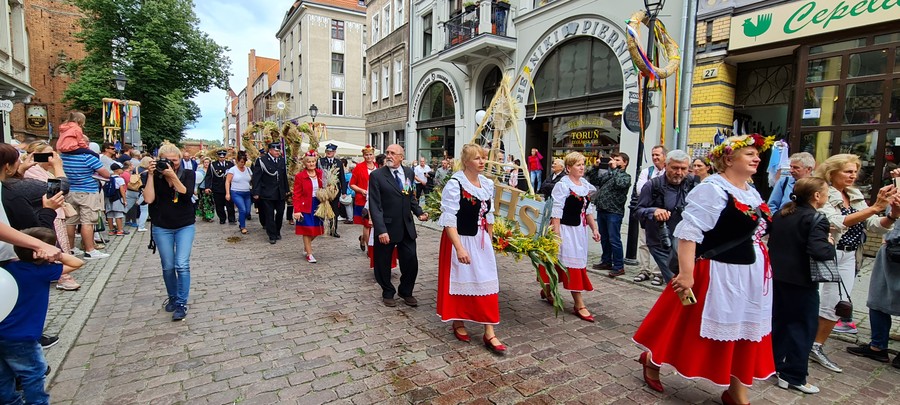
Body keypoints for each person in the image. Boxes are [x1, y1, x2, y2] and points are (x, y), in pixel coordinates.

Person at [633, 134, 776, 405]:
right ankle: (652, 359)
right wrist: (686, 274)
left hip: (750, 275)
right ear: (729, 159)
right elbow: (689, 232)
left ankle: (737, 390)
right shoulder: (712, 188)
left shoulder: (750, 191)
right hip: (720, 272)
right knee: (687, 327)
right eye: (749, 153)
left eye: (757, 154)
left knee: (745, 331)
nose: (757, 158)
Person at [809, 153, 896, 372]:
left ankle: (816, 346)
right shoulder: (821, 191)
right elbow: (835, 222)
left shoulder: (854, 193)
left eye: (855, 171)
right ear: (832, 172)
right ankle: (800, 342)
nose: (853, 175)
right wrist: (875, 207)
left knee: (837, 303)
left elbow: (873, 225)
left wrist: (892, 214)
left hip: (849, 255)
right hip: (826, 252)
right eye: (848, 171)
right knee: (813, 299)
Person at [0, 227, 82, 405]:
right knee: (33, 373)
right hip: (23, 336)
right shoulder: (41, 272)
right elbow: (77, 262)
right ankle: (37, 402)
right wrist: (54, 254)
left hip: (2, 332)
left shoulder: (7, 269)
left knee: (3, 376)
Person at [437, 144, 506, 353]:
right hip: (460, 238)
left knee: (486, 281)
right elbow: (449, 220)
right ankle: (458, 321)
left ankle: (489, 332)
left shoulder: (487, 184)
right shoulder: (455, 184)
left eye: (483, 157)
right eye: (477, 158)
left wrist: (490, 240)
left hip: (480, 240)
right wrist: (459, 248)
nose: (482, 161)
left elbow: (489, 215)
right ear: (466, 162)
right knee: (461, 280)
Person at [768, 177, 834, 394]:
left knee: (780, 322)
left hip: (778, 277)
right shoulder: (816, 218)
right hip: (802, 281)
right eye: (826, 192)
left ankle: (774, 364)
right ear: (817, 195)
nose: (827, 196)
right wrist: (830, 245)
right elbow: (819, 251)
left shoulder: (782, 214)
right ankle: (794, 375)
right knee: (803, 327)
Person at [539, 152, 601, 322]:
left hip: (579, 231)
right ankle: (579, 304)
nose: (582, 167)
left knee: (571, 263)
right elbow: (556, 211)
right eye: (578, 165)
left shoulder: (585, 186)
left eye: (583, 164)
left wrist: (594, 229)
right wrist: (556, 234)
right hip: (565, 230)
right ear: (568, 168)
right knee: (565, 263)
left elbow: (587, 210)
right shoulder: (563, 186)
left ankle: (546, 290)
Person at [847, 170, 900, 368]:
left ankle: (878, 346)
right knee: (877, 298)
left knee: (878, 297)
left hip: (893, 248)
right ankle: (877, 346)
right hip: (891, 252)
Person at [368, 144, 429, 307]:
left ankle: (406, 291)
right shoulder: (377, 175)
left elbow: (409, 196)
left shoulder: (408, 172)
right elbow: (375, 205)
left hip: (406, 226)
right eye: (387, 152)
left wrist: (419, 212)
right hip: (386, 227)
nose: (389, 155)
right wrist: (381, 230)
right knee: (383, 263)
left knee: (411, 261)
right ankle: (387, 292)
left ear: (401, 157)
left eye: (393, 153)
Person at [143, 143, 197, 321]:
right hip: (162, 226)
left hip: (184, 225)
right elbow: (149, 199)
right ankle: (173, 297)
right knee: (168, 266)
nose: (171, 163)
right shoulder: (153, 175)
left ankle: (181, 303)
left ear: (180, 159)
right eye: (166, 160)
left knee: (182, 264)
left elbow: (185, 193)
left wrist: (172, 175)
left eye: (174, 160)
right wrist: (151, 175)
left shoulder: (188, 174)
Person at [23, 142, 80, 290]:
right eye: (48, 154)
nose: (53, 157)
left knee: (60, 242)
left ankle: (58, 273)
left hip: (54, 212)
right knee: (54, 244)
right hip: (47, 212)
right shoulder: (32, 171)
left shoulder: (44, 171)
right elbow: (56, 190)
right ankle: (61, 275)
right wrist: (58, 167)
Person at [635, 150, 695, 285]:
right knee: (676, 282)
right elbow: (638, 211)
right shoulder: (652, 185)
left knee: (688, 282)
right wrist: (653, 211)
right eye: (675, 168)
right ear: (666, 166)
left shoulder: (691, 183)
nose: (679, 172)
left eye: (683, 169)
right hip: (661, 242)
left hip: (685, 240)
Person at [60, 135, 111, 260]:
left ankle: (70, 248)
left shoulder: (63, 157)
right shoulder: (87, 157)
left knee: (70, 221)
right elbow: (106, 174)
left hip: (70, 191)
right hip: (88, 191)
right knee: (87, 222)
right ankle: (90, 250)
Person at [586, 152, 631, 277]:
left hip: (614, 211)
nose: (614, 161)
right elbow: (595, 180)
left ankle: (619, 266)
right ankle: (606, 261)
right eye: (613, 159)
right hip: (602, 209)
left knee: (614, 239)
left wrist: (616, 169)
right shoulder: (609, 174)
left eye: (617, 160)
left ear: (625, 163)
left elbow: (620, 184)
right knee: (605, 238)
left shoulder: (626, 176)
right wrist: (595, 168)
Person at [634, 145, 667, 279]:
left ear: (665, 156)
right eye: (653, 155)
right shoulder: (647, 171)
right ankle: (644, 270)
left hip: (663, 212)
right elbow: (640, 190)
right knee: (644, 242)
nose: (654, 157)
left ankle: (658, 272)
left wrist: (651, 187)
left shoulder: (668, 172)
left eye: (657, 155)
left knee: (661, 242)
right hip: (646, 211)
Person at [251, 142, 289, 244]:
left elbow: (283, 176)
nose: (278, 152)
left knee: (280, 212)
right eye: (276, 151)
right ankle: (272, 235)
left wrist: (286, 189)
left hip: (279, 192)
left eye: (278, 150)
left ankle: (277, 230)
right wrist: (256, 192)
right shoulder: (262, 161)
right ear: (270, 150)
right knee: (269, 214)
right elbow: (256, 177)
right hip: (267, 192)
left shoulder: (281, 160)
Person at [293, 151, 325, 263]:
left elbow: (326, 187)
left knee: (317, 230)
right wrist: (297, 210)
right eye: (309, 162)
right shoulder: (300, 176)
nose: (311, 164)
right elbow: (296, 194)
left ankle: (307, 247)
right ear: (305, 163)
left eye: (313, 161)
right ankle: (309, 254)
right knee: (307, 229)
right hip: (305, 205)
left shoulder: (320, 173)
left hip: (318, 204)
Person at [349, 146, 377, 251]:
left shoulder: (377, 166)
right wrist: (362, 191)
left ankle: (363, 239)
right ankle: (370, 250)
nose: (369, 157)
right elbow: (352, 184)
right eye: (366, 155)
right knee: (367, 224)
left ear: (373, 155)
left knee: (375, 223)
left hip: (376, 200)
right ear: (363, 156)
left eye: (370, 154)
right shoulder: (359, 167)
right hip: (363, 200)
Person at [318, 143, 346, 238]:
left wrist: (344, 191)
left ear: (334, 152)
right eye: (328, 151)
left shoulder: (338, 162)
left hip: (334, 191)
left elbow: (342, 178)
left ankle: (333, 230)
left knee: (335, 211)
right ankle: (320, 229)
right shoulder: (320, 161)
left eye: (331, 151)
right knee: (322, 209)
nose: (329, 153)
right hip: (323, 190)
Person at [204, 149, 236, 225]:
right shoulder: (213, 165)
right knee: (219, 205)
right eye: (220, 157)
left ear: (225, 157)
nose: (222, 158)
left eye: (223, 157)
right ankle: (222, 218)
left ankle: (232, 219)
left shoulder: (230, 164)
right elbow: (208, 176)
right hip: (217, 188)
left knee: (230, 204)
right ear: (218, 157)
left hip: (228, 188)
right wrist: (207, 187)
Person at [226, 151, 253, 235]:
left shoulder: (248, 169)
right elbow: (227, 182)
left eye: (244, 162)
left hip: (247, 193)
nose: (242, 164)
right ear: (237, 161)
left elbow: (252, 180)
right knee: (242, 209)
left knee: (247, 211)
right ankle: (243, 227)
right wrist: (227, 193)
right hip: (236, 192)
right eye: (241, 162)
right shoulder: (232, 170)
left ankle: (241, 220)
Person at [104, 162, 127, 236]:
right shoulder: (120, 179)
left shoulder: (108, 178)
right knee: (118, 214)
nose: (122, 170)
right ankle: (120, 230)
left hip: (108, 198)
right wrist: (124, 200)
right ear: (117, 170)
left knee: (109, 215)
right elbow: (122, 190)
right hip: (117, 198)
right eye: (121, 169)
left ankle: (111, 230)